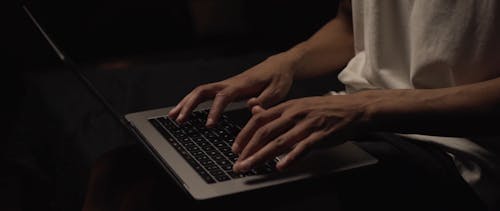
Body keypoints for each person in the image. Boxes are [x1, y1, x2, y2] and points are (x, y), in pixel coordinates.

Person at [84, 1, 499, 210]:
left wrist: (368, 107)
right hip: (354, 116)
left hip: (456, 149)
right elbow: (348, 24)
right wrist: (287, 63)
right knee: (120, 174)